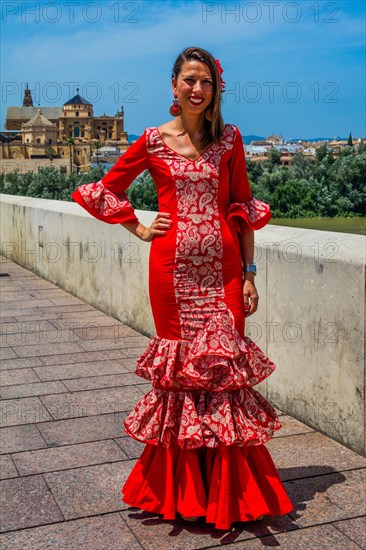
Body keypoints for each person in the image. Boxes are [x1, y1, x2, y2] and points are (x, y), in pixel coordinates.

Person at [71, 46, 294, 530]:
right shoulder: (151, 141)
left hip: (226, 274)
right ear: (173, 87)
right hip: (171, 275)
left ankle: (228, 491)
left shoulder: (230, 139)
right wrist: (138, 227)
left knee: (224, 372)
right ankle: (186, 492)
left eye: (206, 81)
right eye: (189, 80)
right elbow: (104, 189)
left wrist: (251, 274)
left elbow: (242, 207)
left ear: (216, 89)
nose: (197, 89)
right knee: (181, 373)